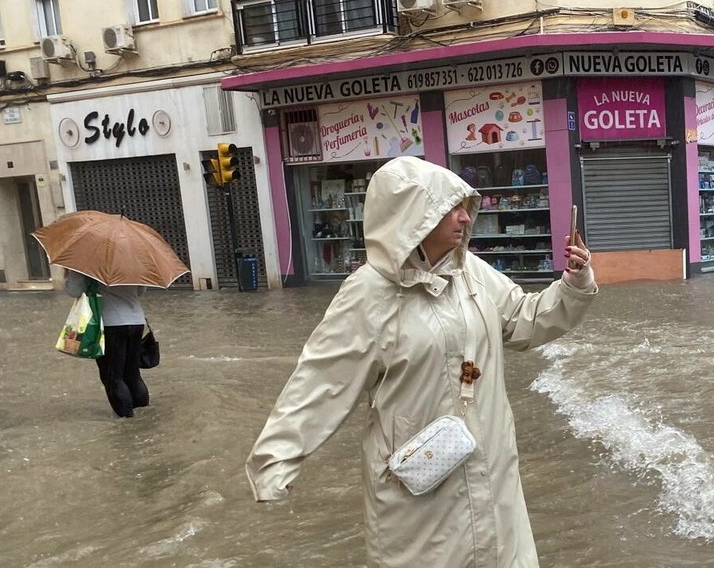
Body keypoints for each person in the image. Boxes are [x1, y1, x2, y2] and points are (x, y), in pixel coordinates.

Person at [245, 156, 597, 567]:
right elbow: (322, 380)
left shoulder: (472, 274)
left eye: (465, 206)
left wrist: (574, 284)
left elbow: (525, 320)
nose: (466, 219)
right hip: (420, 491)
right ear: (412, 216)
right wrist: (276, 460)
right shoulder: (368, 294)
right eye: (452, 209)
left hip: (492, 472)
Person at [64, 270, 148, 418]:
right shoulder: (132, 260)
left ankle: (127, 423)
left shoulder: (87, 262)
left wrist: (70, 274)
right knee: (133, 374)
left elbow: (74, 290)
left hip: (110, 323)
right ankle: (144, 417)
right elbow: (141, 291)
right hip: (136, 320)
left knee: (113, 377)